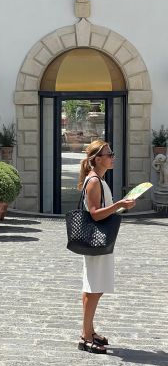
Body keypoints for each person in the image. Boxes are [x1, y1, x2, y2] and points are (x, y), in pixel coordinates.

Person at [77, 139, 136, 354]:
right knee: (94, 289)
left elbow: (102, 211)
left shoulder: (98, 180)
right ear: (97, 159)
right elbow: (94, 213)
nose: (112, 157)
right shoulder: (94, 181)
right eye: (109, 154)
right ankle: (85, 335)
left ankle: (89, 330)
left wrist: (120, 206)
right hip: (96, 240)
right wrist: (119, 204)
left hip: (98, 239)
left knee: (93, 288)